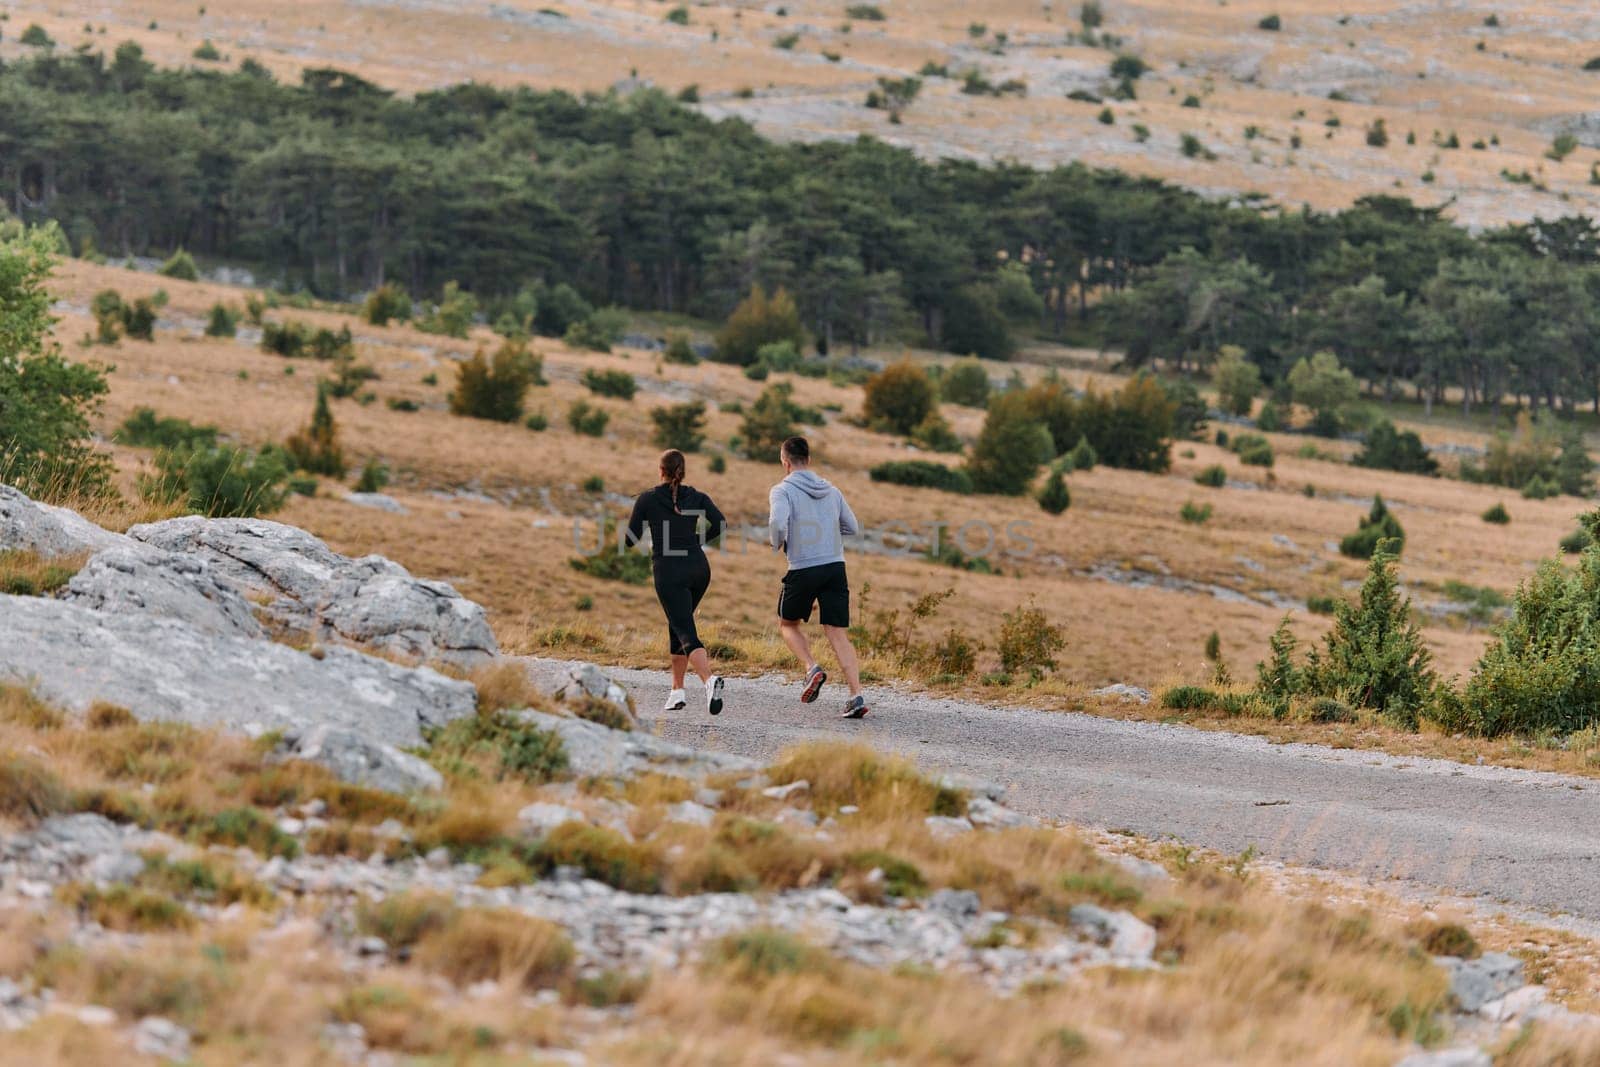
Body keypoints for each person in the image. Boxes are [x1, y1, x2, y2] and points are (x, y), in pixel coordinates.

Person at [767, 435, 869, 718]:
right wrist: (828, 536)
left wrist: (778, 542)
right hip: (835, 566)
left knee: (788, 624)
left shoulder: (782, 490)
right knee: (837, 632)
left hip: (802, 567)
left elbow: (777, 522)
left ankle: (812, 668)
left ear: (785, 462)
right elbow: (852, 527)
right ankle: (856, 695)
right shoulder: (832, 490)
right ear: (808, 460)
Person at [626, 449, 727, 716]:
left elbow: (630, 538)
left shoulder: (648, 498)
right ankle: (677, 691)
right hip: (699, 569)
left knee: (684, 629)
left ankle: (709, 681)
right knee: (678, 621)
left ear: (661, 471)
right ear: (682, 471)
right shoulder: (697, 496)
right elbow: (720, 523)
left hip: (669, 570)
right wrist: (696, 540)